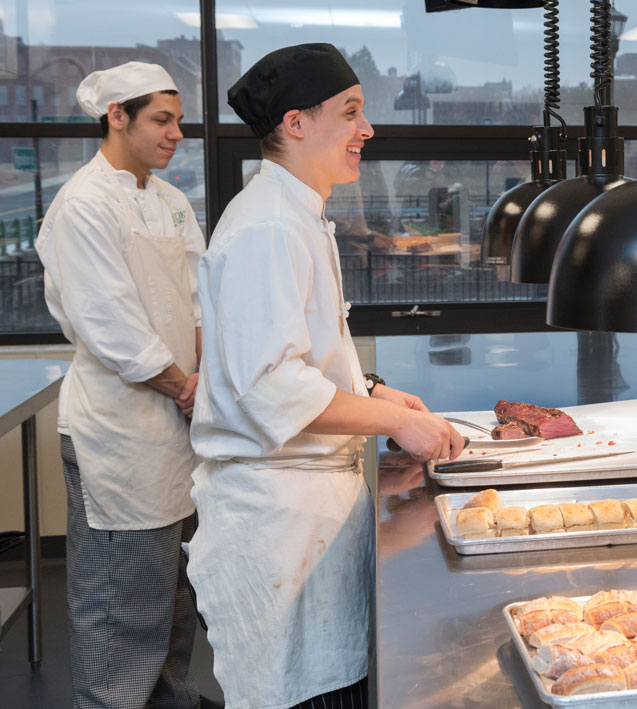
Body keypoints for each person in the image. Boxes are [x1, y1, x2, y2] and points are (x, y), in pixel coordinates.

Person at [185, 43, 465, 708]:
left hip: (308, 515)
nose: (366, 129)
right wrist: (400, 421)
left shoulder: (296, 215)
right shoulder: (267, 229)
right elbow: (273, 387)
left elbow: (294, 354)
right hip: (278, 528)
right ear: (295, 123)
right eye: (351, 112)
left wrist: (371, 392)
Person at [35, 61, 205, 708]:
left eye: (178, 120)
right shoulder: (82, 206)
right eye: (162, 119)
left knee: (172, 593)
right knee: (119, 601)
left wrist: (201, 376)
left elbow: (195, 300)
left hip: (174, 421)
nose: (176, 134)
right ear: (117, 116)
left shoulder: (170, 200)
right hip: (119, 431)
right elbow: (112, 327)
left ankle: (171, 698)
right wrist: (185, 387)